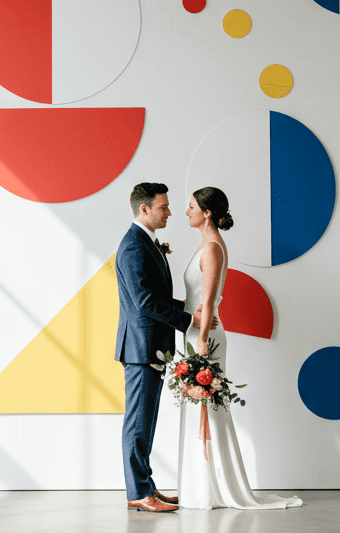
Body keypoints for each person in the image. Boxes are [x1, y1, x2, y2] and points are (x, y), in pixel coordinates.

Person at [177, 186, 304, 511]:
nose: (186, 211)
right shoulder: (207, 245)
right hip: (196, 331)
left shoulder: (212, 249)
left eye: (191, 206)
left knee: (208, 407)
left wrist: (202, 339)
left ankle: (213, 487)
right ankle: (201, 485)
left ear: (206, 212)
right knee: (199, 407)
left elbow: (206, 302)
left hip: (205, 336)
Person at [115, 182, 214, 514]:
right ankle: (139, 492)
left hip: (151, 347)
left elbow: (153, 297)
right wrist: (188, 321)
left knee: (146, 420)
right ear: (145, 209)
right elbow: (144, 303)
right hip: (141, 348)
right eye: (164, 207)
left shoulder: (145, 243)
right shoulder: (133, 246)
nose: (170, 212)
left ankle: (146, 487)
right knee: (138, 422)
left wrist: (186, 308)